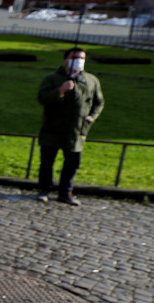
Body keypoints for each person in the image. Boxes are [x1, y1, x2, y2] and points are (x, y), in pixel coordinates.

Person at [36, 47, 104, 206]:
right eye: (76, 57)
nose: (80, 60)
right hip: (53, 128)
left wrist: (91, 117)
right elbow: (42, 98)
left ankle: (65, 192)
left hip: (76, 130)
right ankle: (44, 190)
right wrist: (60, 90)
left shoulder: (91, 80)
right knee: (47, 162)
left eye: (82, 58)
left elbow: (99, 102)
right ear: (66, 60)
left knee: (72, 163)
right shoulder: (52, 78)